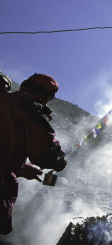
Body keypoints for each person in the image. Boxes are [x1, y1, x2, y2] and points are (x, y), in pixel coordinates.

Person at [0, 73, 67, 235]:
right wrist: (59, 159)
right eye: (50, 97)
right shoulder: (28, 104)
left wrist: (22, 168)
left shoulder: (7, 102)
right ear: (45, 93)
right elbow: (44, 154)